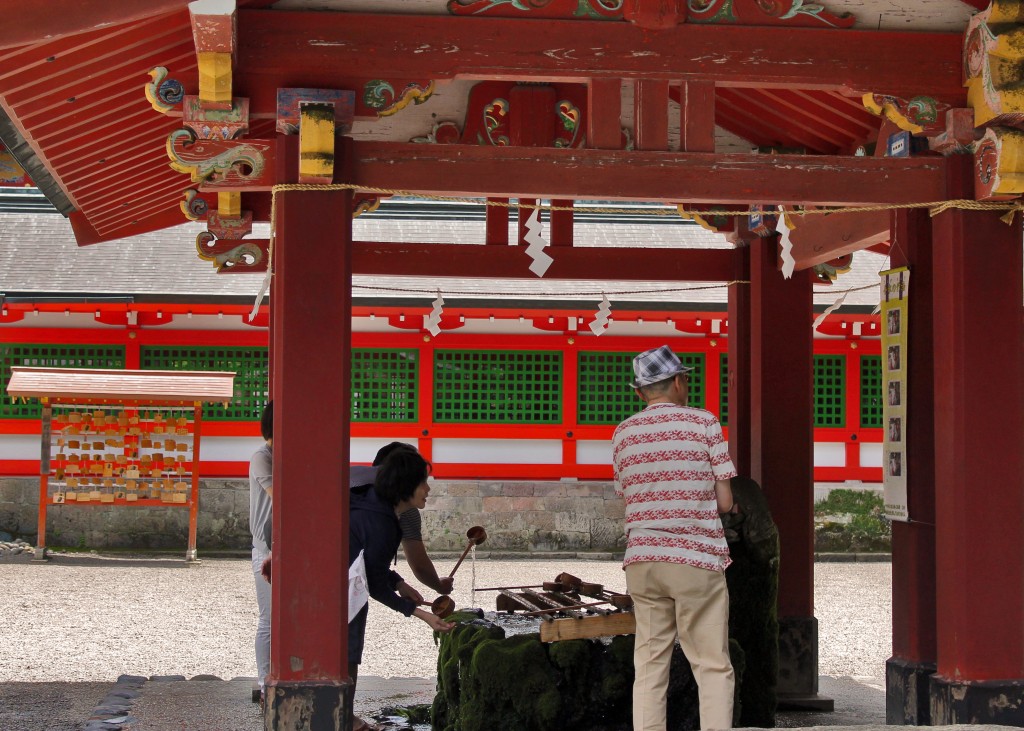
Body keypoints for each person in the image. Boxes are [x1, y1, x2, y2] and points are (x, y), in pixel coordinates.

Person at [611, 345, 739, 731]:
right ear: (681, 382)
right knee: (711, 663)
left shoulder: (624, 433)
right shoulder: (704, 424)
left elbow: (627, 494)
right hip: (694, 558)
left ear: (639, 393)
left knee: (650, 664)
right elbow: (725, 500)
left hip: (643, 560)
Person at [349, 445, 454, 731]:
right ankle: (343, 719)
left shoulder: (377, 505)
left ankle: (345, 717)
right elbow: (373, 585)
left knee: (347, 650)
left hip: (343, 585)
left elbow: (368, 562)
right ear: (406, 485)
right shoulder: (382, 521)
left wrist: (399, 582)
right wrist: (422, 615)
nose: (428, 489)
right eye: (423, 482)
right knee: (345, 650)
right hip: (339, 592)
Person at [350, 442, 454, 595]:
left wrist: (398, 583)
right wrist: (437, 587)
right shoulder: (395, 505)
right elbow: (418, 564)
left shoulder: (352, 481)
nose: (428, 488)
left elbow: (369, 567)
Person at [248, 401, 274, 704]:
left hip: (288, 547)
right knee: (269, 619)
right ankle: (266, 680)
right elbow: (281, 495)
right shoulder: (262, 457)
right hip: (266, 549)